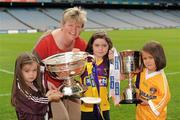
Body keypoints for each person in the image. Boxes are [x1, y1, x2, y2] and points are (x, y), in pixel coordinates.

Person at [32, 7, 87, 120]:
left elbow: (93, 63)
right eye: (70, 25)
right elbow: (31, 67)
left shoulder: (81, 44)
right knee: (62, 118)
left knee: (76, 117)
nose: (74, 30)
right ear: (62, 25)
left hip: (69, 87)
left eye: (78, 26)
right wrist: (45, 83)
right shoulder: (46, 42)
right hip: (49, 89)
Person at [11, 53, 62, 120]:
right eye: (27, 71)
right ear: (19, 71)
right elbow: (34, 104)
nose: (31, 74)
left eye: (34, 70)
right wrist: (50, 98)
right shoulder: (20, 88)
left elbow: (37, 99)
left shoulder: (33, 83)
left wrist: (47, 95)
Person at [80, 31, 113, 120]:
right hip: (86, 107)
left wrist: (115, 62)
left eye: (104, 45)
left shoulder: (110, 64)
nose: (101, 49)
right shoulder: (82, 62)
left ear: (109, 47)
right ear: (91, 46)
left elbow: (120, 77)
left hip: (104, 106)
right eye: (97, 45)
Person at [135, 41, 171, 120]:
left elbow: (165, 97)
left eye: (151, 57)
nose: (147, 61)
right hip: (141, 114)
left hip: (154, 117)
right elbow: (137, 83)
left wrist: (149, 102)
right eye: (145, 58)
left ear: (158, 57)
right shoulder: (143, 71)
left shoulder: (160, 78)